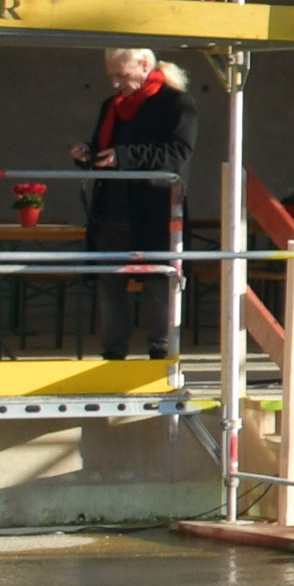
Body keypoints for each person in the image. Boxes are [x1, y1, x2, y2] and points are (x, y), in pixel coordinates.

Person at [82, 48, 192, 357]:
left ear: (145, 66)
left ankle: (160, 354)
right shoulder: (112, 105)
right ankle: (113, 355)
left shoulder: (176, 103)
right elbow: (102, 149)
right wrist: (87, 154)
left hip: (154, 209)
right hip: (112, 210)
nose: (115, 83)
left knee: (158, 285)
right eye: (111, 76)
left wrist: (123, 157)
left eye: (122, 75)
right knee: (109, 287)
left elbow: (178, 153)